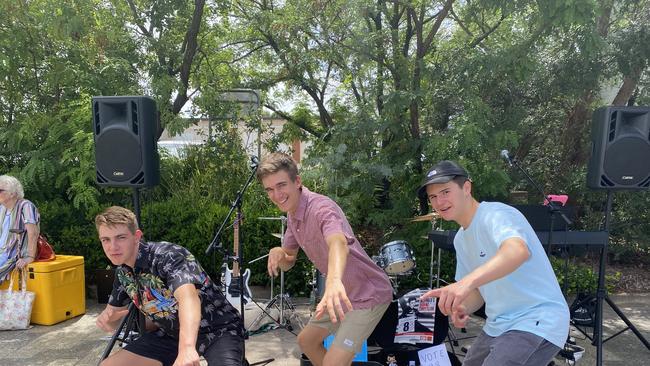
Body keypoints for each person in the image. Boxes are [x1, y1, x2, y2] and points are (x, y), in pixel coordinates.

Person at [418, 160, 569, 366]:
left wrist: (465, 283)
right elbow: (477, 292)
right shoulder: (461, 239)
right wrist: (461, 308)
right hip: (498, 326)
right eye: (433, 197)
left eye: (445, 192)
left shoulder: (496, 214)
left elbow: (517, 251)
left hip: (537, 319)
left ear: (467, 188)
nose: (439, 201)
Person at [258, 152, 393, 366]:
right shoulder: (294, 215)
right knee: (307, 341)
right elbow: (289, 259)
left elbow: (338, 242)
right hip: (341, 295)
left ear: (297, 181)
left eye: (281, 185)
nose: (276, 194)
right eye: (270, 190)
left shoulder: (321, 208)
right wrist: (279, 253)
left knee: (334, 362)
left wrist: (333, 281)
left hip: (368, 294)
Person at [94, 206, 244, 366]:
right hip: (171, 334)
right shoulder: (122, 273)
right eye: (106, 240)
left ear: (136, 236)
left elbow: (188, 298)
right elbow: (114, 318)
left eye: (121, 237)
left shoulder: (168, 256)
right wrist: (108, 321)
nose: (112, 246)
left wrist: (186, 348)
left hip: (219, 329)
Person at [0, 175, 40, 284]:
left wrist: (30, 257)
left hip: (11, 255)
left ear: (12, 193)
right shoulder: (2, 208)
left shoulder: (25, 206)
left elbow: (33, 233)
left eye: (0, 190)